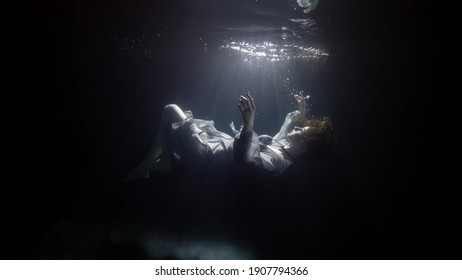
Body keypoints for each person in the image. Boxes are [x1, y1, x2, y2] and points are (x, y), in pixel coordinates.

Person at [125, 92, 335, 181]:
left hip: (206, 153)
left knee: (171, 110)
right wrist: (302, 111)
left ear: (305, 146)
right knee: (171, 122)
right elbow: (286, 127)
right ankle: (156, 164)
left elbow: (245, 158)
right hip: (216, 144)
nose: (296, 129)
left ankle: (157, 164)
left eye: (301, 131)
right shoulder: (286, 149)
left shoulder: (277, 163)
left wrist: (249, 124)